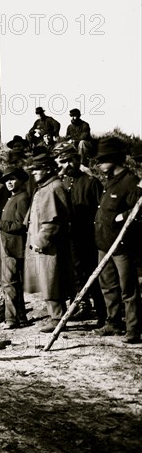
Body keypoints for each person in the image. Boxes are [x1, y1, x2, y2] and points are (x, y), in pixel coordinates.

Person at [92, 137, 142, 344]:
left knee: (128, 288)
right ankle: (113, 323)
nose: (99, 164)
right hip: (104, 244)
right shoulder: (109, 181)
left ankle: (133, 328)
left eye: (103, 160)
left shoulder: (130, 181)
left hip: (122, 246)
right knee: (108, 286)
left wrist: (120, 217)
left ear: (114, 159)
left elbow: (138, 209)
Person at [56, 144, 106, 326]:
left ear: (77, 160)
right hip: (71, 237)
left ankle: (103, 313)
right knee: (75, 274)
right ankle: (82, 307)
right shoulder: (64, 183)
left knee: (94, 274)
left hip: (88, 237)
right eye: (64, 161)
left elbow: (101, 212)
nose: (68, 164)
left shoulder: (91, 182)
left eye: (71, 160)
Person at [24, 153, 72, 333]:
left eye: (37, 169)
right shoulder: (46, 187)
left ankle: (57, 318)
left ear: (48, 169)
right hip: (45, 243)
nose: (34, 172)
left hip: (50, 245)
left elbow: (52, 222)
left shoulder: (52, 188)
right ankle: (56, 316)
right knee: (47, 280)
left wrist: (40, 241)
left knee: (51, 280)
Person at [0, 166, 31, 329]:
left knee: (9, 282)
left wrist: (0, 223)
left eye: (12, 179)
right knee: (12, 282)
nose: (9, 183)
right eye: (6, 180)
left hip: (13, 246)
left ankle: (11, 319)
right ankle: (20, 317)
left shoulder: (22, 198)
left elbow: (21, 225)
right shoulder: (12, 197)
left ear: (20, 181)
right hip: (7, 243)